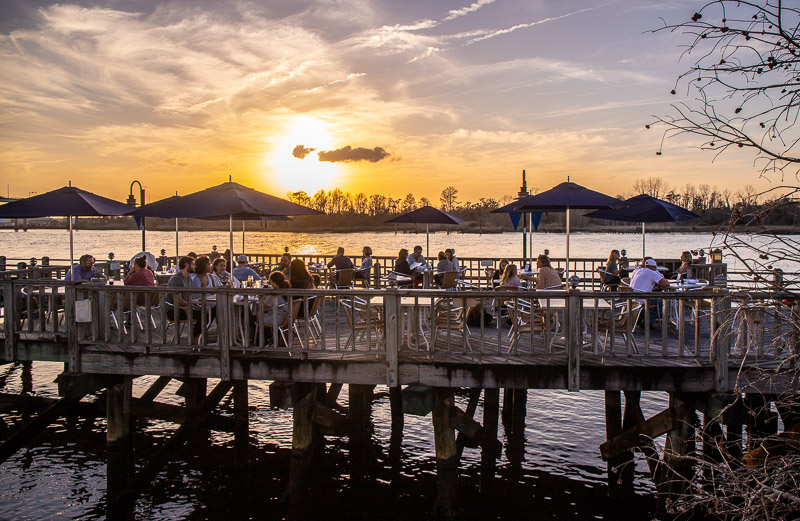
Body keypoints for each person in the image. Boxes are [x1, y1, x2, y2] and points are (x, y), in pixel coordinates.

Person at [166, 256, 204, 340]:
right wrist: (192, 305)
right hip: (174, 310)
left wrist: (196, 305)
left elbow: (190, 296)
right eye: (193, 264)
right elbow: (178, 300)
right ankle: (194, 337)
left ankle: (197, 336)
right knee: (204, 315)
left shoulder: (188, 278)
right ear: (187, 265)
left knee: (207, 312)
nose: (195, 266)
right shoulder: (176, 279)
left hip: (185, 307)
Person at [258, 271, 290, 342]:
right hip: (284, 317)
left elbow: (264, 307)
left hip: (276, 318)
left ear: (274, 283)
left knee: (253, 318)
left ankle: (260, 341)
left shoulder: (274, 294)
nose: (271, 284)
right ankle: (269, 337)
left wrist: (262, 299)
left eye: (271, 282)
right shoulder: (286, 290)